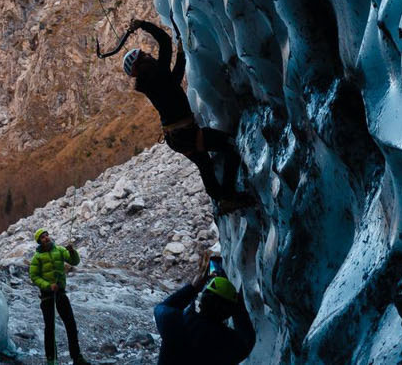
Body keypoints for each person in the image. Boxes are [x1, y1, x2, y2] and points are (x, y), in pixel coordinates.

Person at [104, 19, 250, 210]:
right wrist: (143, 25)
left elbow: (174, 78)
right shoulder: (156, 74)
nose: (149, 55)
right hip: (185, 133)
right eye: (145, 55)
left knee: (205, 164)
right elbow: (165, 44)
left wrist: (181, 53)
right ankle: (227, 197)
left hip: (178, 136)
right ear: (141, 64)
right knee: (229, 147)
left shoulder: (151, 80)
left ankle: (223, 199)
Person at [153, 272, 254, 365]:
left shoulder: (173, 322)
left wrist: (193, 288)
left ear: (201, 300)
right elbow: (247, 341)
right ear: (228, 313)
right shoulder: (227, 342)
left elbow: (161, 307)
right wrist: (239, 310)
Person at [28, 230, 89, 365]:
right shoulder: (36, 257)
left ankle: (76, 357)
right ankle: (51, 359)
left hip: (60, 293)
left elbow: (74, 262)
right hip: (47, 296)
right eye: (42, 237)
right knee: (50, 327)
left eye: (46, 235)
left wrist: (72, 251)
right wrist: (48, 286)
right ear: (39, 241)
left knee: (71, 324)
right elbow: (34, 277)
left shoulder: (60, 250)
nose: (46, 238)